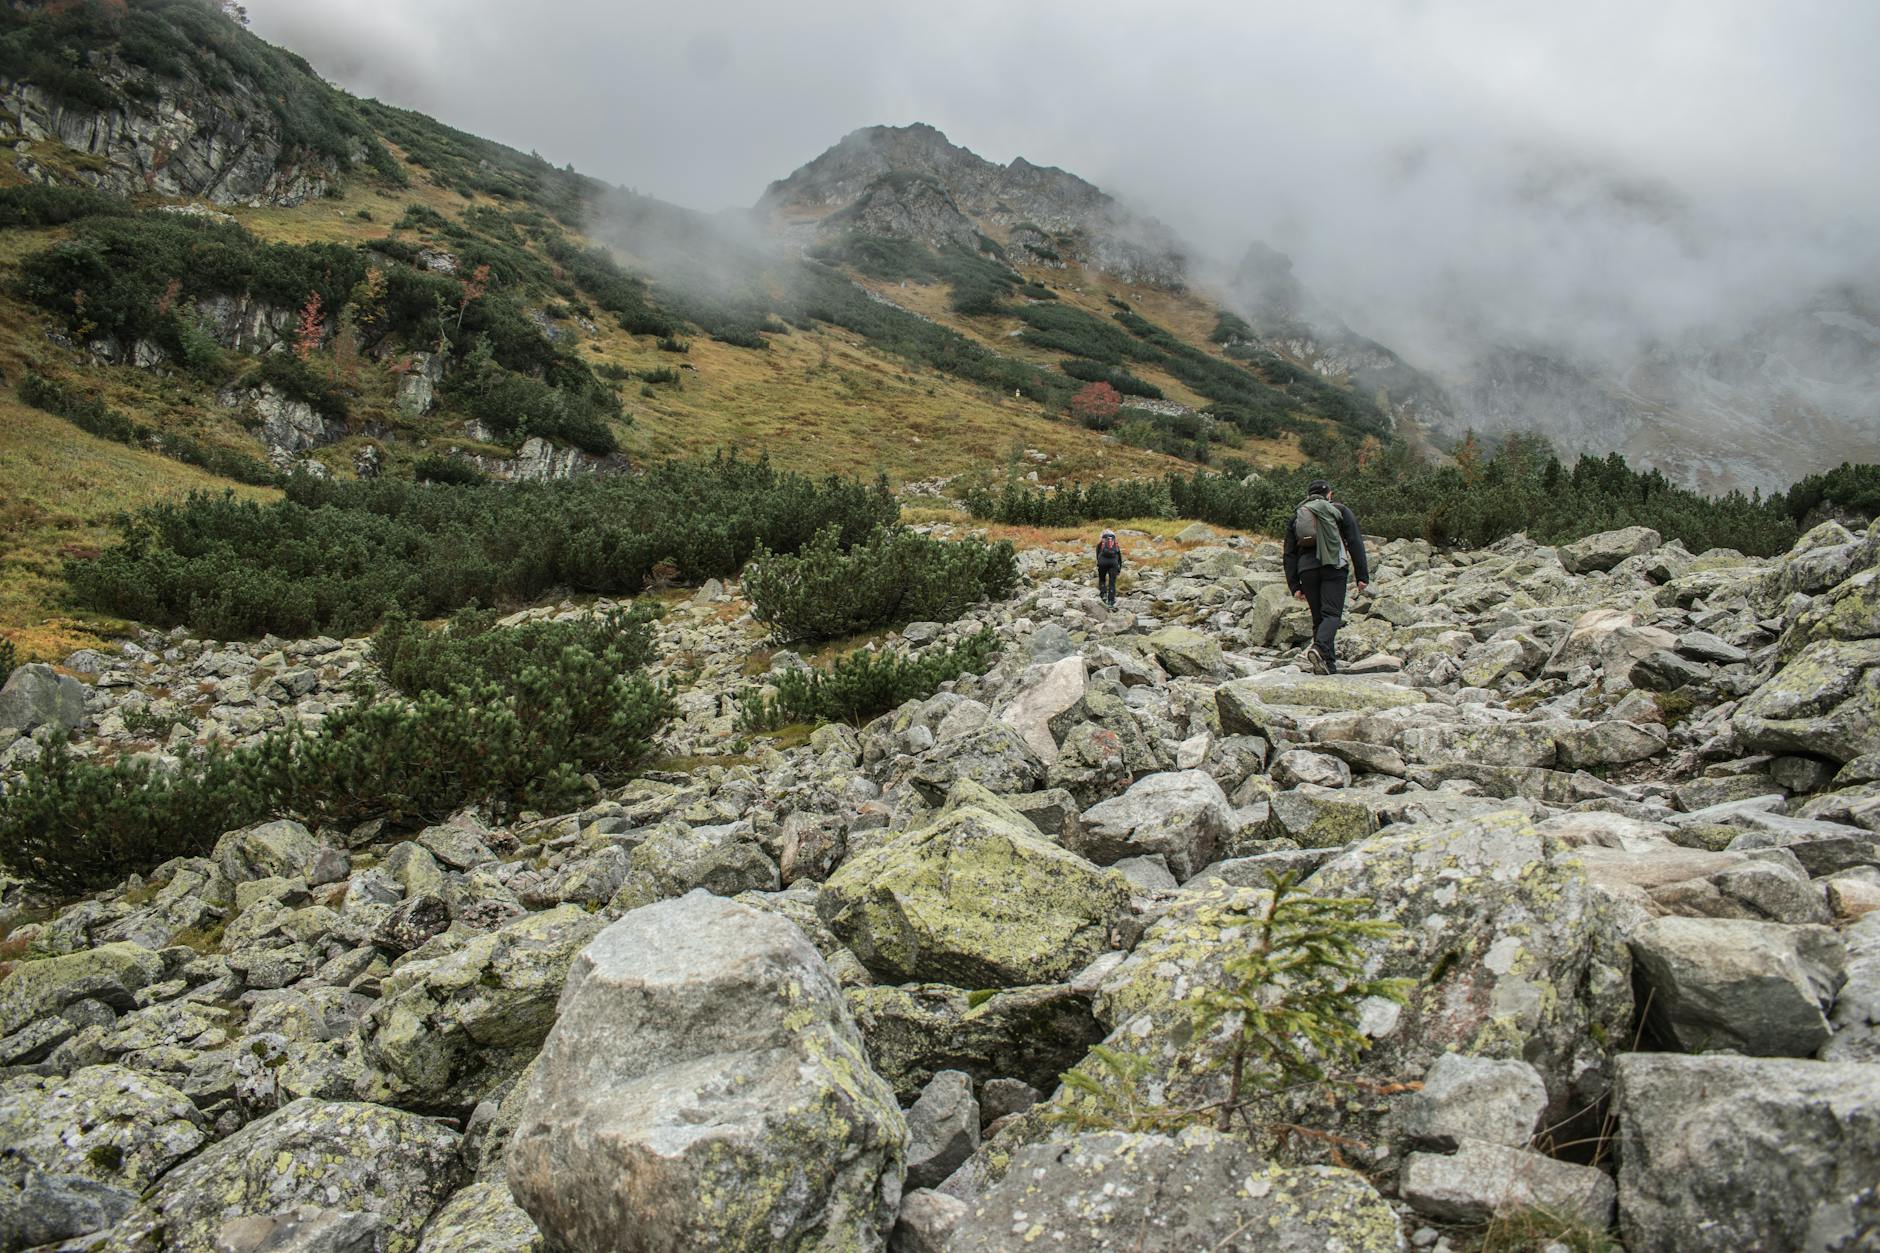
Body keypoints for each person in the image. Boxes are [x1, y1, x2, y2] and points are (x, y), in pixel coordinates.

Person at [1283, 480, 1369, 674]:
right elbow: (1355, 541)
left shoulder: (1299, 515)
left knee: (1318, 618)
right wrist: (1362, 575)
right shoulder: (1339, 511)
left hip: (1307, 570)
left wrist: (1294, 584)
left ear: (1308, 495)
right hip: (1333, 567)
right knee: (1331, 615)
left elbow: (1289, 553)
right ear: (1329, 495)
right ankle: (1320, 648)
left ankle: (1327, 665)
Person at [1095, 528, 1123, 607]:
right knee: (1112, 582)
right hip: (1113, 563)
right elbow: (1119, 557)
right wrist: (1119, 568)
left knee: (1102, 579)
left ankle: (1103, 595)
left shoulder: (1100, 544)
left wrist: (1099, 563)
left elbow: (1097, 556)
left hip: (1102, 563)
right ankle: (1111, 601)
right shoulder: (1115, 545)